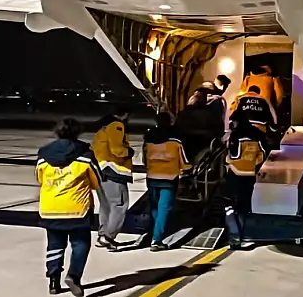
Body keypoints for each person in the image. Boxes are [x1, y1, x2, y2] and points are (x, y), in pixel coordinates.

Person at [36, 118, 104, 296]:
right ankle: (73, 275)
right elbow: (97, 181)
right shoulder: (86, 155)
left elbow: (40, 179)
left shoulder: (43, 154)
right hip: (77, 208)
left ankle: (53, 281)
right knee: (81, 243)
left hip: (50, 208)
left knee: (55, 245)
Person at [224, 86, 273, 249]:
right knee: (244, 206)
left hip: (235, 173)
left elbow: (234, 155)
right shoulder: (258, 134)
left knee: (229, 205)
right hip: (250, 173)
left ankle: (234, 237)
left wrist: (228, 160)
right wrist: (254, 164)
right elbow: (263, 153)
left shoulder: (236, 134)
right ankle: (244, 237)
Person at [142, 112, 191, 251]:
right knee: (164, 208)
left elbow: (144, 159)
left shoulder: (148, 138)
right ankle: (157, 239)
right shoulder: (176, 139)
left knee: (155, 207)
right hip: (169, 178)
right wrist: (188, 168)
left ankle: (155, 230)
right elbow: (184, 161)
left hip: (152, 176)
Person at [92, 105, 135, 251]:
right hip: (114, 170)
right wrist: (128, 152)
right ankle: (109, 236)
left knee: (106, 205)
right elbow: (117, 149)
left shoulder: (103, 127)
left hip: (101, 170)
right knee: (119, 205)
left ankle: (102, 235)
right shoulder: (116, 126)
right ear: (124, 114)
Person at [175, 88, 224, 164]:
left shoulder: (186, 112)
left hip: (187, 144)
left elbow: (178, 127)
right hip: (203, 144)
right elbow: (219, 130)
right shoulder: (211, 113)